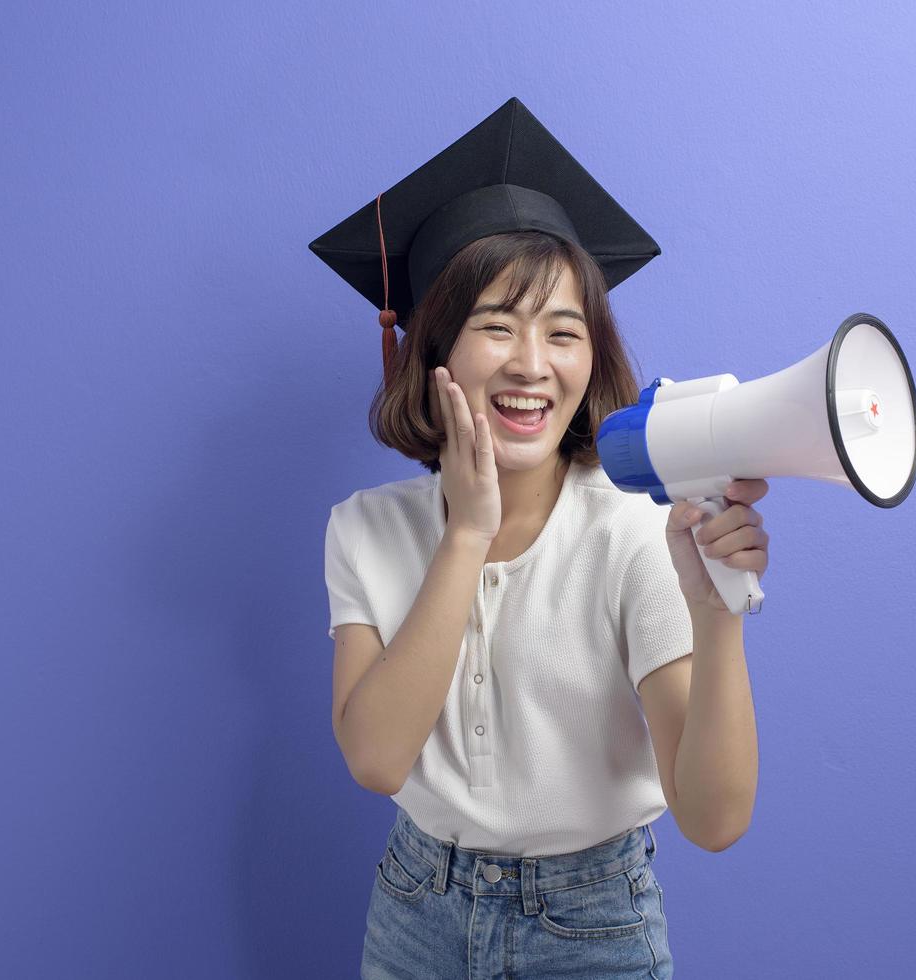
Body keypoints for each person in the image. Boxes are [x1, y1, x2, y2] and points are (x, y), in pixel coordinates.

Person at [315, 98, 769, 979]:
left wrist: (718, 618)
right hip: (415, 914)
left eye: (564, 332)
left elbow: (715, 822)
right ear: (433, 351)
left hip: (591, 928)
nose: (533, 363)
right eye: (496, 325)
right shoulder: (366, 530)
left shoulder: (634, 533)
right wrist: (466, 536)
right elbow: (375, 759)